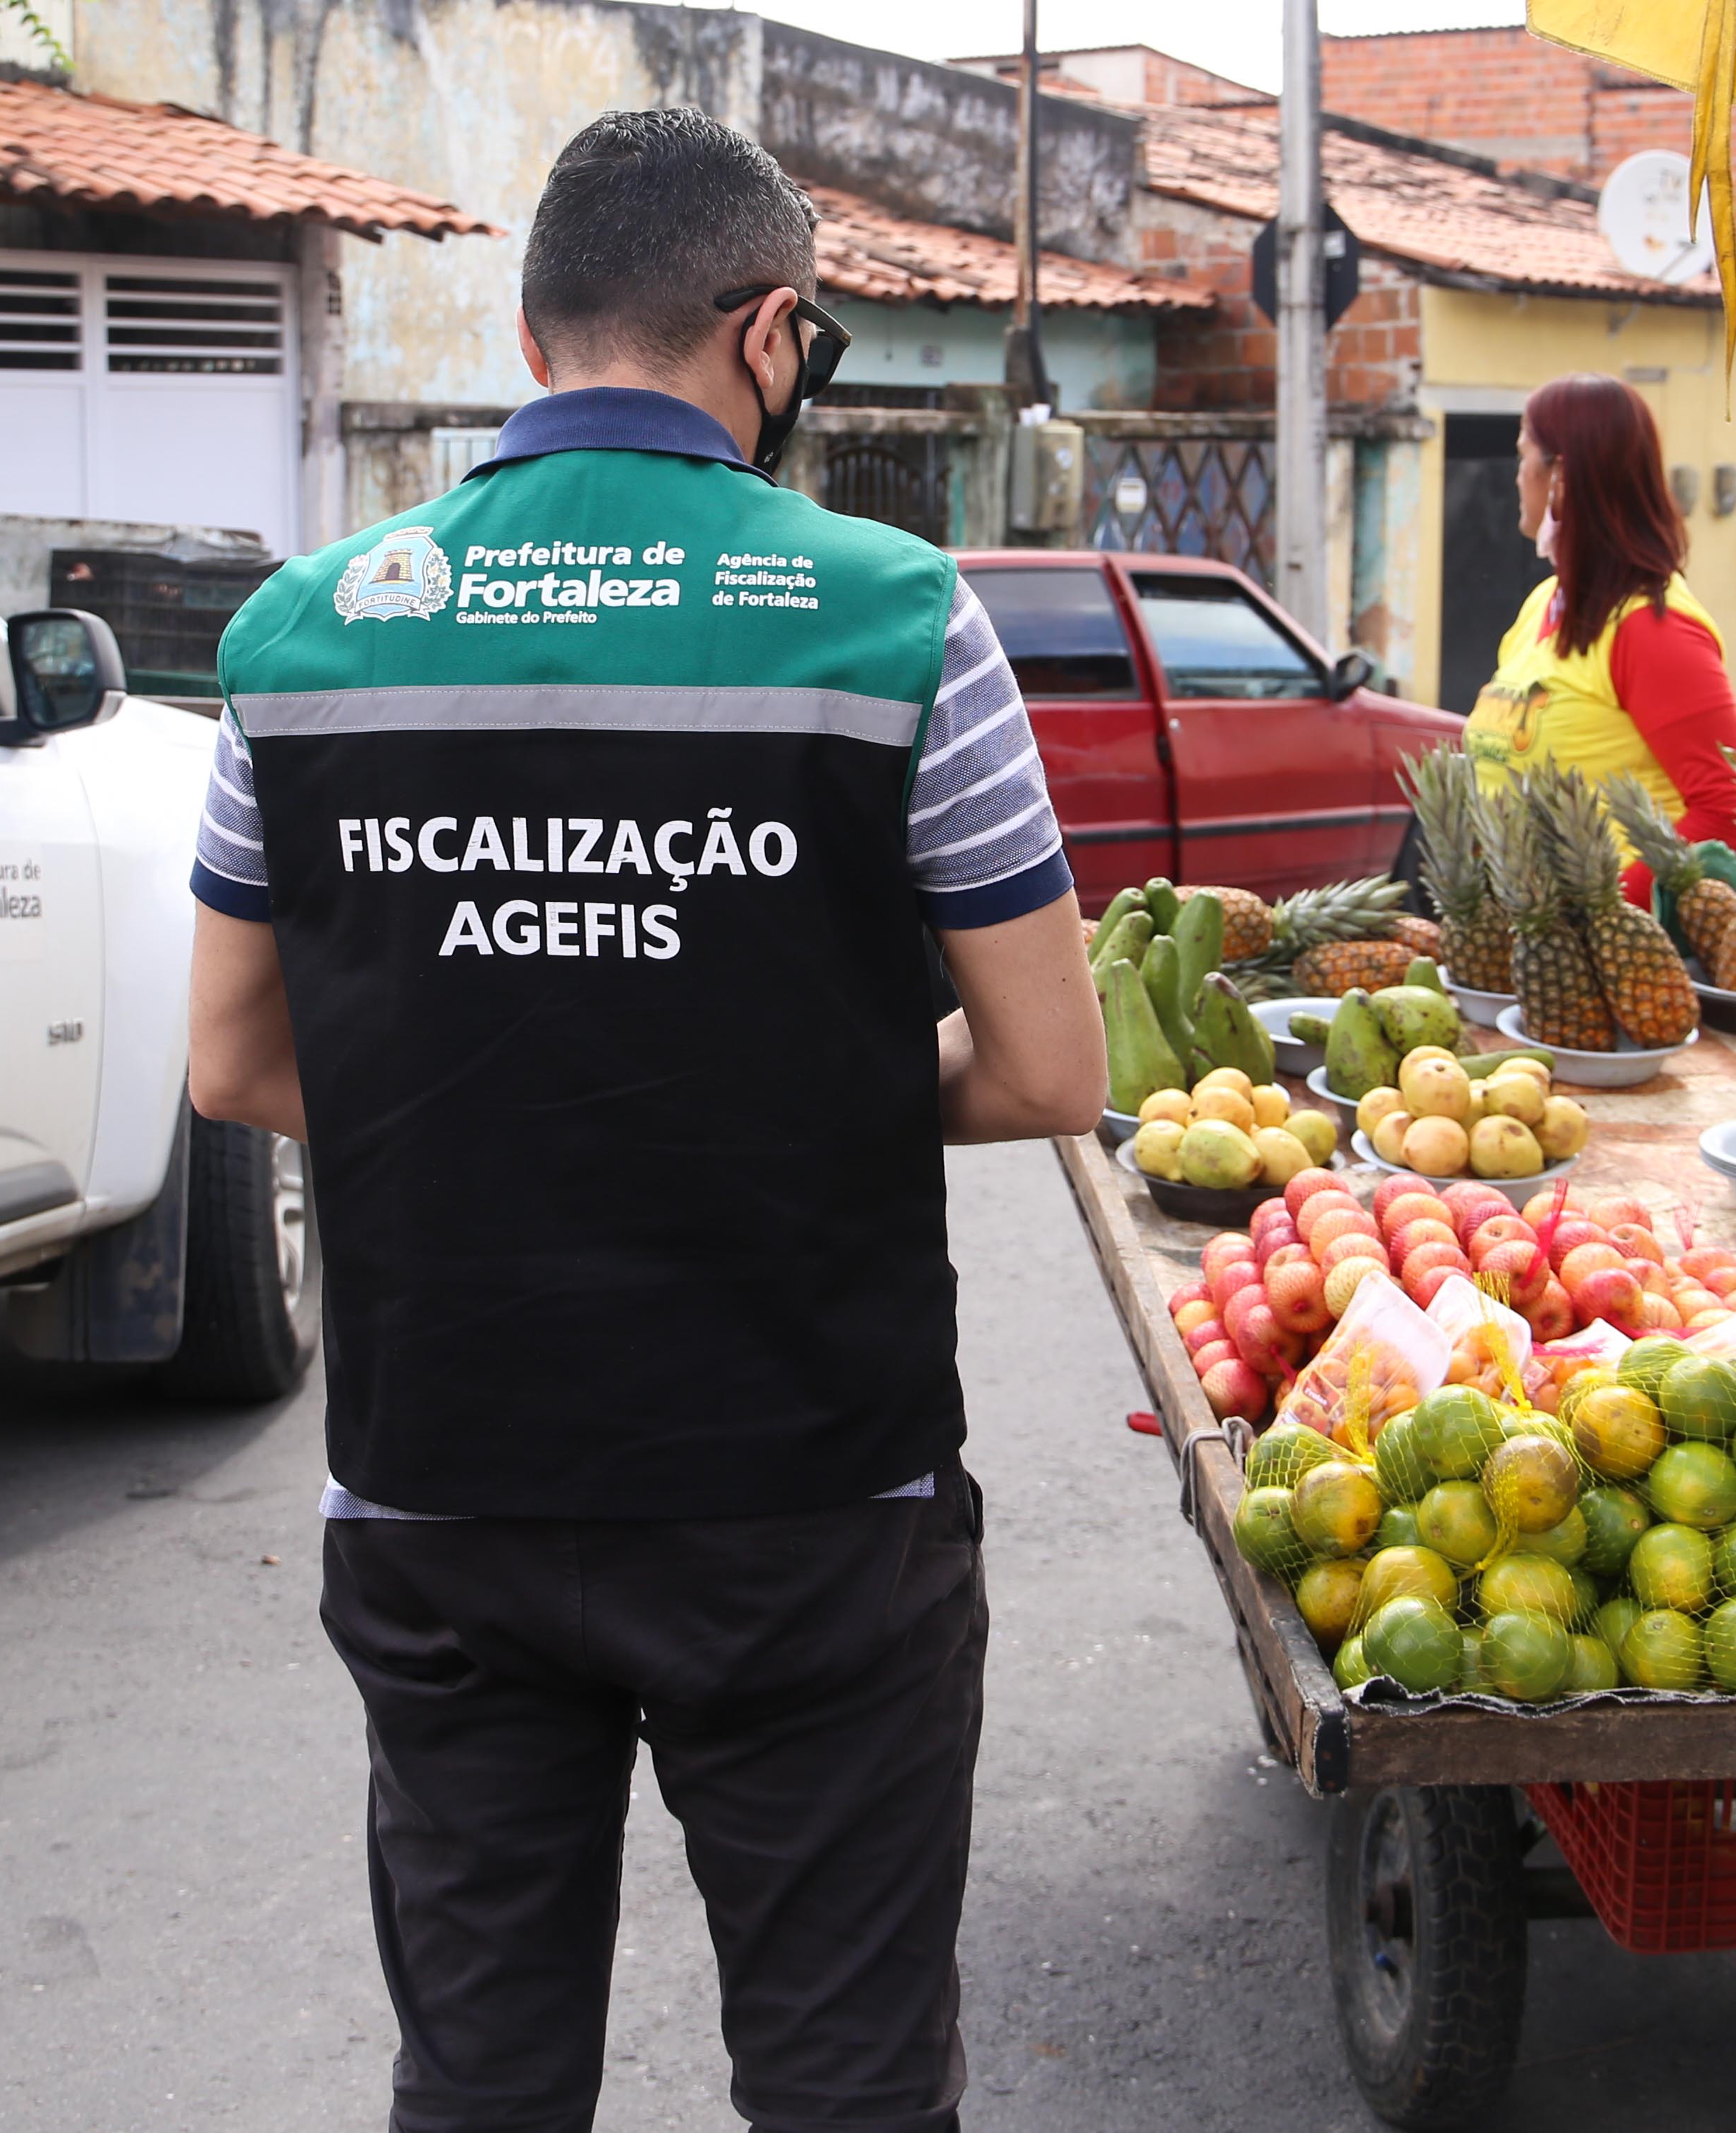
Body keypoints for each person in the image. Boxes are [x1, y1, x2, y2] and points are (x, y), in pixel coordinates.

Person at [185, 107, 1106, 2133]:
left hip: (439, 1484)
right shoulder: (894, 616)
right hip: (808, 1496)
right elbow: (1053, 1071)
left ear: (532, 341)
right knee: (846, 2082)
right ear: (771, 333)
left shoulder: (300, 634)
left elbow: (236, 1067)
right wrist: (802, 1079)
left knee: (483, 2078)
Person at [1466, 372, 1736, 895]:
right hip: (1526, 940)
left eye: (1523, 456)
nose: (1516, 475)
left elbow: (1727, 812)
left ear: (1560, 477)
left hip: (1612, 957)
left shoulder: (1651, 629)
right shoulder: (1542, 605)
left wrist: (1606, 922)